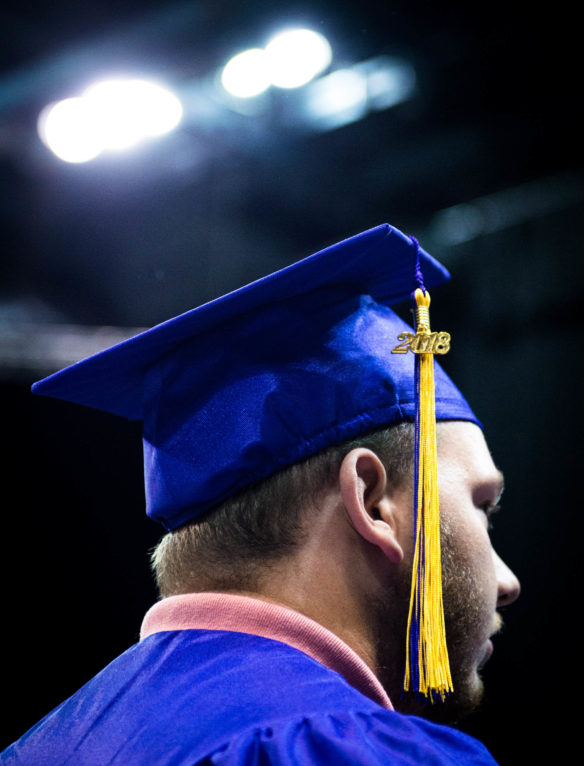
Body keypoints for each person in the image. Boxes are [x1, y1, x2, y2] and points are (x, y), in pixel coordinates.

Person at [1, 223, 519, 765]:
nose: (508, 581)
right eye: (482, 506)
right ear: (371, 501)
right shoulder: (344, 750)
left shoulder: (41, 747)